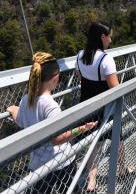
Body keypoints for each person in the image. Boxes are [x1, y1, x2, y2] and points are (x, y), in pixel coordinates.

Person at [7, 52, 97, 193]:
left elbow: (22, 121)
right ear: (55, 78)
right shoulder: (51, 106)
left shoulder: (26, 99)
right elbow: (57, 139)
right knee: (71, 190)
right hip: (61, 161)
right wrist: (81, 129)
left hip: (38, 165)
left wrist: (13, 110)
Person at [75, 22, 121, 192]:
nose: (111, 40)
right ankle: (122, 169)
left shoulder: (80, 55)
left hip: (86, 105)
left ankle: (91, 181)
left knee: (94, 142)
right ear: (102, 37)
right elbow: (115, 88)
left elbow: (81, 77)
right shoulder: (106, 59)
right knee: (116, 136)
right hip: (105, 107)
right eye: (109, 36)